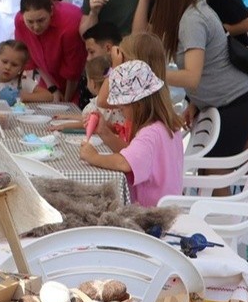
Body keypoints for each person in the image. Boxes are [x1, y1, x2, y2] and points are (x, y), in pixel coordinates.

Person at [148, 0, 248, 159]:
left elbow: (192, 76)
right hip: (226, 103)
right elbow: (208, 65)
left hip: (236, 103)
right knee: (209, 175)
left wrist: (152, 72)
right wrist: (195, 102)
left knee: (214, 175)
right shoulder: (190, 14)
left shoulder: (192, 20)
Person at [78, 60, 184, 207]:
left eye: (122, 108)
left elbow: (124, 163)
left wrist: (94, 157)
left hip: (151, 215)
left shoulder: (150, 134)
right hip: (167, 209)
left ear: (138, 106)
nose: (121, 113)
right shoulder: (166, 127)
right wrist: (104, 132)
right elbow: (130, 152)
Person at [13, 0, 87, 103]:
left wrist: (65, 102)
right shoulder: (19, 21)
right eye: (30, 22)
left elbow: (74, 71)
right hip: (47, 77)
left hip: (77, 83)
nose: (36, 27)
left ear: (51, 11)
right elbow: (31, 58)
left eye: (41, 20)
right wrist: (52, 87)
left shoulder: (69, 23)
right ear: (22, 16)